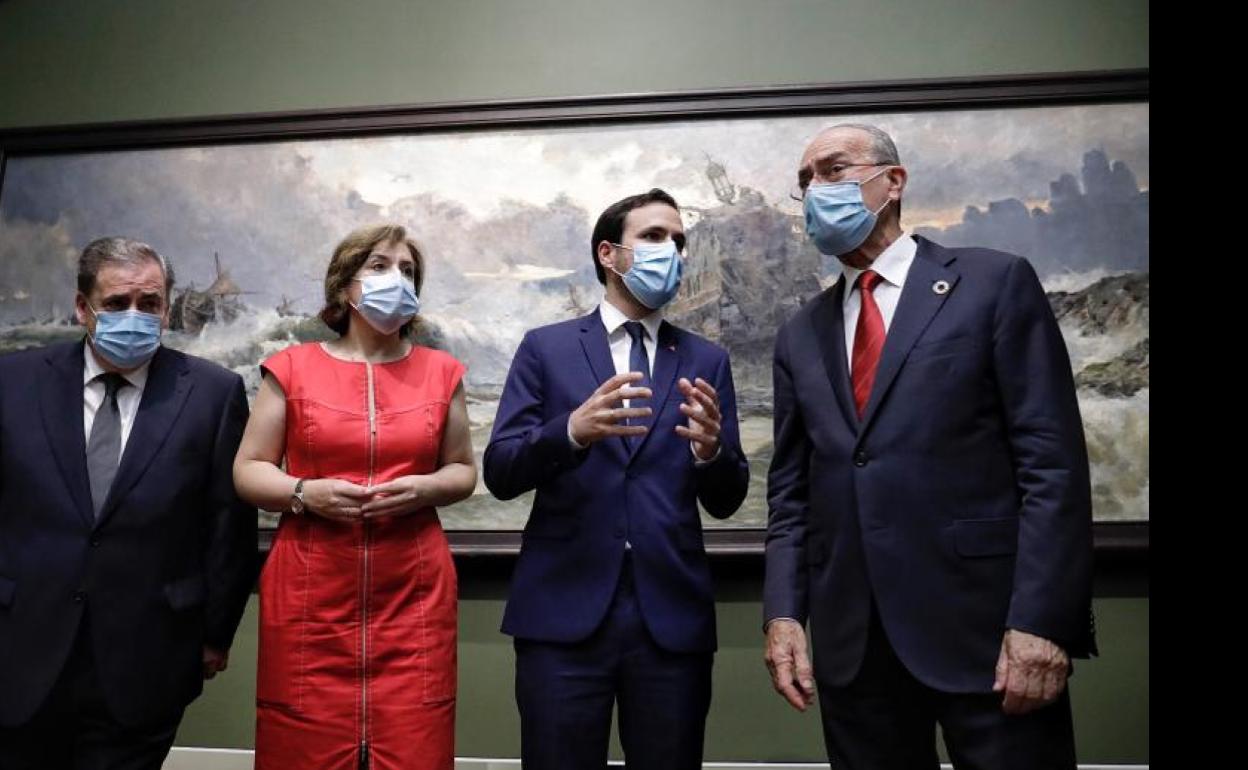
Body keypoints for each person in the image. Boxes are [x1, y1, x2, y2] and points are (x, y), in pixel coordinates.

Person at [763, 124, 1096, 770]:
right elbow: (790, 494)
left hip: (991, 637)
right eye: (805, 181)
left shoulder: (993, 284)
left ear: (893, 182)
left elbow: (1051, 466)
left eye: (832, 170)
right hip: (853, 650)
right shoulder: (799, 335)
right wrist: (783, 616)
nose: (813, 191)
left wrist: (1043, 623)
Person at [484, 188, 749, 770]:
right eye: (654, 237)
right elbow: (500, 471)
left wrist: (711, 454)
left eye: (679, 242)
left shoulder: (707, 360)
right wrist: (571, 430)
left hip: (671, 621)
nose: (672, 252)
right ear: (609, 253)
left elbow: (728, 499)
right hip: (561, 615)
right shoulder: (545, 349)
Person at [0, 236, 255, 769]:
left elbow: (228, 523)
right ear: (82, 308)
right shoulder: (13, 380)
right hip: (21, 644)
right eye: (117, 304)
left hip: (150, 652)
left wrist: (215, 633)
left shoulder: (213, 392)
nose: (135, 316)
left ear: (166, 309)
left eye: (150, 304)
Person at [233, 224, 476, 770]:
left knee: (417, 748)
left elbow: (462, 471)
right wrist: (304, 491)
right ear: (346, 286)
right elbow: (248, 471)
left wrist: (425, 489)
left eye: (408, 270)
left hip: (411, 599)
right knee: (301, 750)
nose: (399, 279)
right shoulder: (291, 368)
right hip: (311, 598)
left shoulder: (443, 372)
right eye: (382, 266)